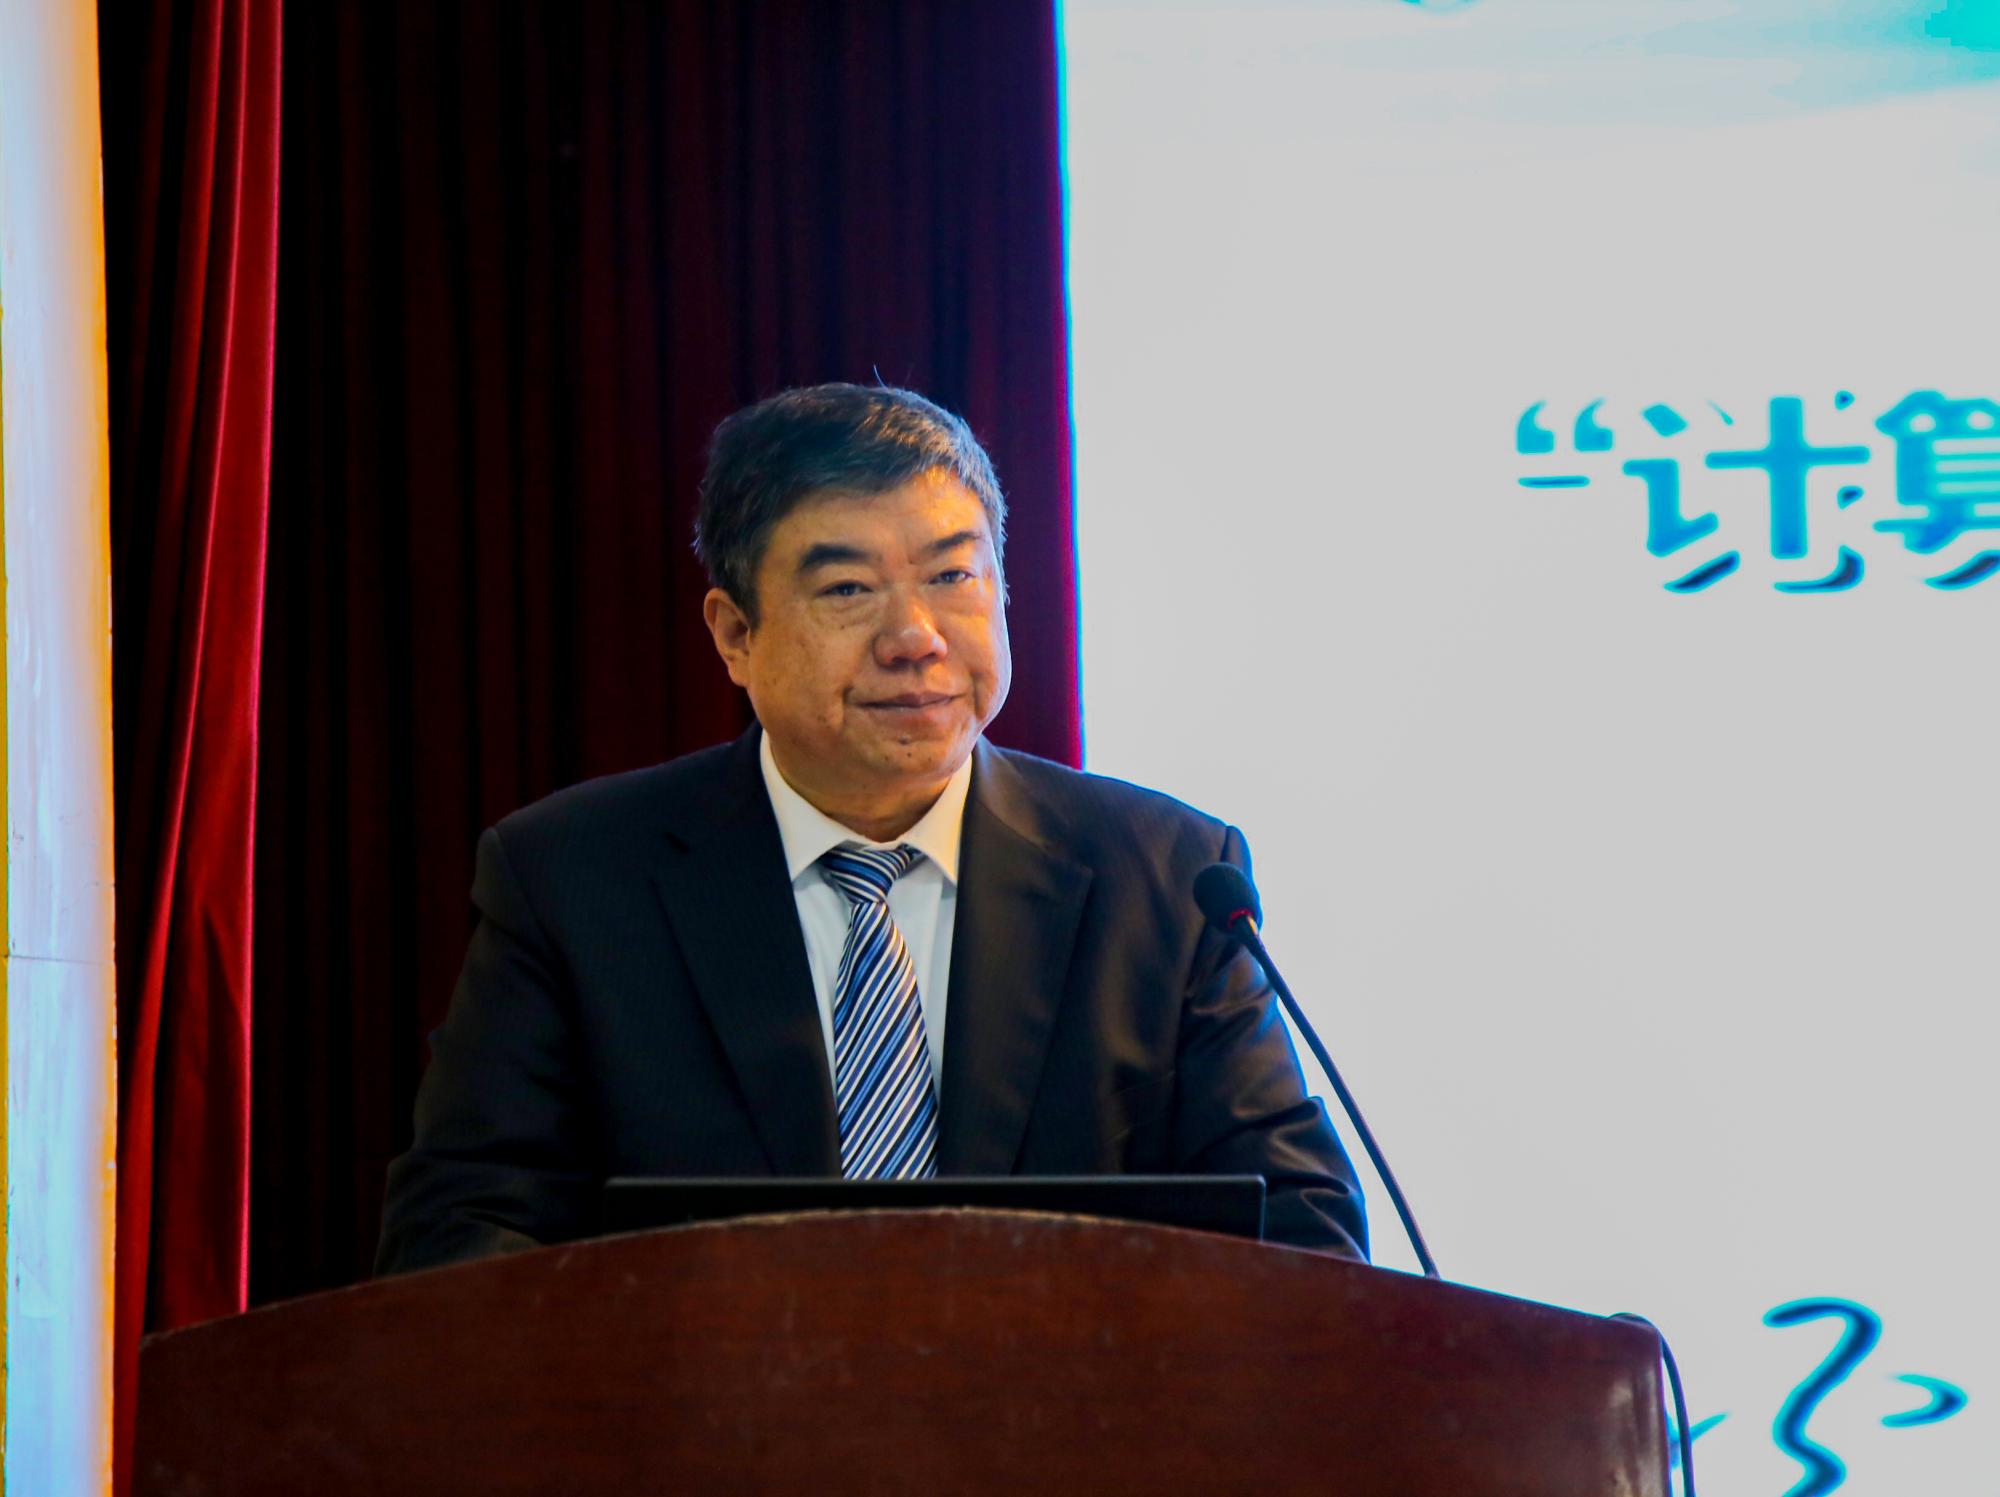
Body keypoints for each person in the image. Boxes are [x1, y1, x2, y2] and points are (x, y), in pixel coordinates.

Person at [375, 383, 1366, 1274]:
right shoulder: (574, 878)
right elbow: (464, 1234)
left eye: (953, 577)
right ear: (734, 634)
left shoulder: (1169, 877)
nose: (915, 639)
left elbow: (1304, 1234)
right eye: (847, 589)